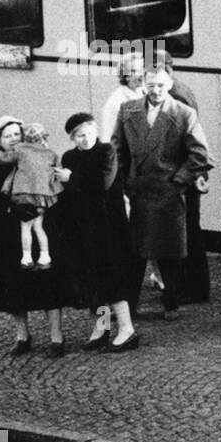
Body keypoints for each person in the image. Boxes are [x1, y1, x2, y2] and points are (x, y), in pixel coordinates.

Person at [113, 62, 213, 321]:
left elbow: (200, 155)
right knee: (134, 253)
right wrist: (124, 181)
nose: (155, 90)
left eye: (161, 85)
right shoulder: (127, 110)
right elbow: (117, 149)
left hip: (168, 194)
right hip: (139, 192)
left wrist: (178, 181)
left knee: (169, 252)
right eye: (151, 84)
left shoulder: (183, 113)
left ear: (170, 85)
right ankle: (129, 306)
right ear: (142, 84)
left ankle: (171, 303)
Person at [0, 116, 70, 357]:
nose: (13, 139)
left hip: (42, 227)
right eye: (7, 136)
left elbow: (56, 188)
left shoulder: (41, 156)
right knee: (14, 287)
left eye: (16, 134)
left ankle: (56, 336)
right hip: (9, 235)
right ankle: (22, 335)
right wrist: (11, 209)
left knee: (50, 285)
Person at [56, 113, 138, 353]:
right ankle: (102, 328)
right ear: (72, 138)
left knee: (112, 276)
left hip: (108, 226)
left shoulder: (107, 152)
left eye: (89, 132)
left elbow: (103, 183)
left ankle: (127, 329)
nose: (85, 138)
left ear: (96, 132)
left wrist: (72, 178)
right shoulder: (69, 157)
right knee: (93, 280)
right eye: (79, 135)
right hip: (83, 226)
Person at [167, 66, 210, 305]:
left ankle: (192, 288)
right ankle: (195, 287)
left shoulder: (176, 97)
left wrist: (181, 177)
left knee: (186, 233)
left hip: (183, 176)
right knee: (190, 231)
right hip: (190, 173)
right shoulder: (181, 89)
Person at [0, 122, 63, 270]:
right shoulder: (51, 153)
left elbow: (5, 159)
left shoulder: (19, 149)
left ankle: (27, 258)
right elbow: (58, 169)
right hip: (43, 197)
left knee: (25, 227)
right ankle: (45, 257)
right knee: (39, 227)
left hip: (24, 196)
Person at [99, 53, 146, 153]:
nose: (142, 74)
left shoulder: (146, 92)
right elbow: (109, 139)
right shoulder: (115, 102)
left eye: (142, 68)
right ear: (125, 76)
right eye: (135, 71)